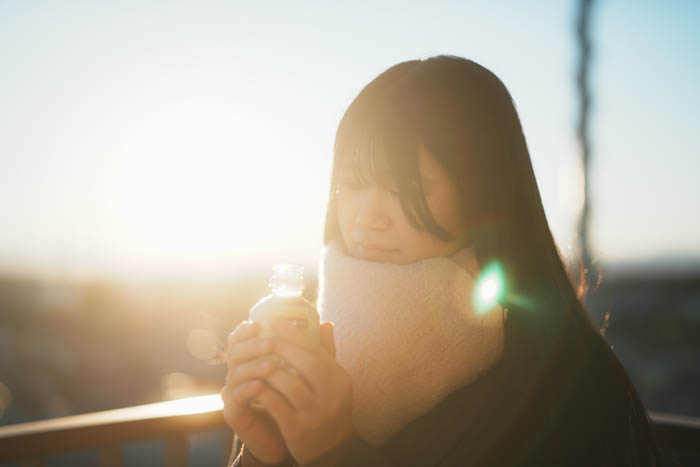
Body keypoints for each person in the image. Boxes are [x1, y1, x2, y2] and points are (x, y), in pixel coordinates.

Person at [220, 55, 662, 466]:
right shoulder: (324, 348)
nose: (367, 216)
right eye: (350, 184)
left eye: (406, 188)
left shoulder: (566, 386)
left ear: (482, 195)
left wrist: (334, 453)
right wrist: (268, 452)